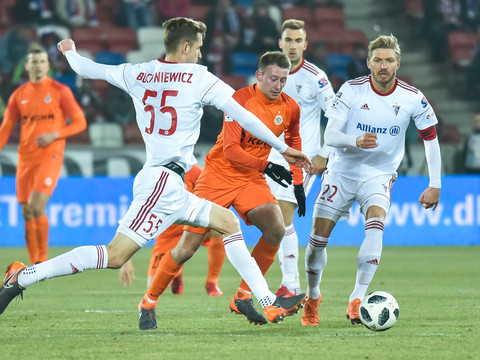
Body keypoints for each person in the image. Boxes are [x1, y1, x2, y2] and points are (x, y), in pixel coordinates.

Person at [0, 18, 311, 328]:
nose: (200, 55)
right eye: (198, 48)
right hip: (162, 181)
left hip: (170, 181)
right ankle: (25, 275)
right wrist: (281, 148)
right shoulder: (198, 77)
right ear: (185, 47)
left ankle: (266, 301)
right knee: (115, 256)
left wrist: (68, 51)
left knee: (228, 223)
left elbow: (86, 69)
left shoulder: (138, 72)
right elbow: (244, 116)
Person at [139, 50, 307, 329]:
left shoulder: (290, 107)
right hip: (217, 176)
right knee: (187, 247)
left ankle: (242, 296)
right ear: (260, 75)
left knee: (276, 228)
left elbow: (294, 141)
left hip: (250, 180)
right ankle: (148, 302)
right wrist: (265, 166)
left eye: (283, 80)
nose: (278, 86)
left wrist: (298, 182)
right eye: (273, 79)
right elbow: (230, 150)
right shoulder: (239, 100)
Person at [301, 34, 441, 326]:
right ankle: (313, 296)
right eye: (378, 60)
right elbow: (331, 136)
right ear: (368, 63)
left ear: (398, 64)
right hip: (342, 170)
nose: (383, 66)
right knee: (316, 243)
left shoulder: (412, 97)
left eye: (389, 60)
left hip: (379, 175)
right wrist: (356, 140)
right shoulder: (352, 91)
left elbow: (430, 138)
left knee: (376, 229)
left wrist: (435, 183)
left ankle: (357, 299)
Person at [0, 48, 87, 265]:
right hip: (25, 159)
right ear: (27, 66)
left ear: (47, 65)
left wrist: (55, 134)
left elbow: (80, 123)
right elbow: (6, 128)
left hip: (50, 156)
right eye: (34, 62)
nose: (38, 65)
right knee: (27, 212)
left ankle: (42, 262)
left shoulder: (60, 91)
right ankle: (34, 264)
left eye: (42, 61)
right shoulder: (18, 96)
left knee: (37, 206)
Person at [267, 19, 335, 298]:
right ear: (279, 43)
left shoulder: (315, 77)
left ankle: (291, 285)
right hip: (269, 158)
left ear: (305, 45)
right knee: (272, 223)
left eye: (298, 41)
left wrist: (324, 153)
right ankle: (291, 285)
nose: (292, 46)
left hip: (301, 161)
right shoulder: (269, 74)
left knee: (282, 216)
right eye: (288, 40)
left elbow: (337, 115)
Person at [119, 164, 226, 296]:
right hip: (167, 234)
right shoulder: (154, 175)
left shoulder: (195, 172)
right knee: (153, 288)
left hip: (192, 226)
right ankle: (177, 272)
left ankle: (212, 282)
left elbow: (211, 198)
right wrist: (125, 259)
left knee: (219, 229)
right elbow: (134, 217)